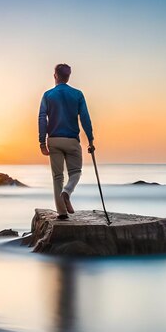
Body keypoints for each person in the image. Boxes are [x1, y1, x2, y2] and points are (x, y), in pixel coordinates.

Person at [38, 64, 95, 220]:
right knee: (76, 173)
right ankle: (67, 192)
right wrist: (90, 140)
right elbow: (85, 119)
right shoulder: (77, 94)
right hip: (72, 141)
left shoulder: (48, 95)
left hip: (54, 140)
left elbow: (42, 118)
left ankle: (62, 213)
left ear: (55, 75)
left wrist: (42, 142)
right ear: (68, 76)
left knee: (57, 177)